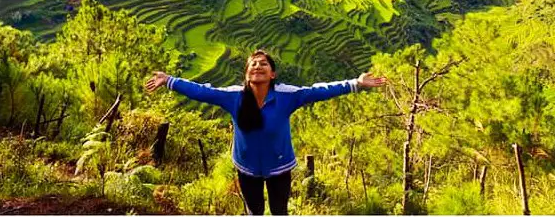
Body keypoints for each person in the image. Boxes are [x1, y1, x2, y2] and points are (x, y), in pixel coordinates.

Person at [145, 49, 387, 215]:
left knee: (280, 211)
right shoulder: (234, 97)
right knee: (254, 211)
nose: (258, 66)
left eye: (264, 64)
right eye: (253, 64)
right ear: (247, 74)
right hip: (246, 168)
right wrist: (169, 80)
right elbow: (201, 91)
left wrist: (356, 83)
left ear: (273, 74)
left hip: (280, 168)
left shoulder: (286, 96)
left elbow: (318, 91)